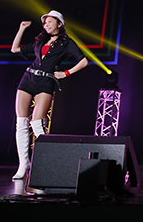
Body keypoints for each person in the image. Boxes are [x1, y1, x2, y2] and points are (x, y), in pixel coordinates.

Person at [10, 10, 88, 180]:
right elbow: (15, 49)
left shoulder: (67, 43)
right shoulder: (40, 41)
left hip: (45, 82)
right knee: (21, 122)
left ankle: (46, 161)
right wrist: (21, 29)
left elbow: (84, 61)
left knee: (37, 123)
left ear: (59, 24)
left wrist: (66, 73)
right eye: (44, 23)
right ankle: (24, 163)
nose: (46, 25)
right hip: (28, 78)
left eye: (50, 21)